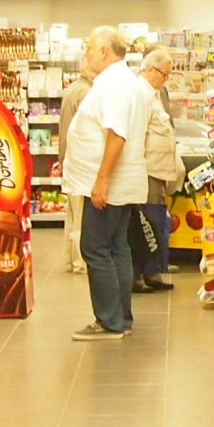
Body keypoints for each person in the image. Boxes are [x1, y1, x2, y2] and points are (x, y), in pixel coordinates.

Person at [62, 26, 147, 340]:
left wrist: (101, 181)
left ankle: (110, 321)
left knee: (95, 248)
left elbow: (117, 134)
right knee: (117, 247)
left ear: (102, 51)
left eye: (89, 48)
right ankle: (121, 318)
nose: (85, 54)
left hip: (109, 185)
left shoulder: (113, 84)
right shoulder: (125, 81)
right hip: (120, 183)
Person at [134, 47, 177, 293]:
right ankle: (142, 273)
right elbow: (138, 135)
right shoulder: (141, 95)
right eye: (164, 74)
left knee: (155, 220)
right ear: (150, 69)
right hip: (147, 172)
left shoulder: (154, 94)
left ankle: (152, 272)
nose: (166, 79)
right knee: (147, 223)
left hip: (157, 172)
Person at [58, 58, 95, 274]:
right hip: (80, 162)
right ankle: (81, 261)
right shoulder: (86, 93)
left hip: (69, 159)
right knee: (82, 215)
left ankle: (70, 258)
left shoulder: (73, 89)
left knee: (72, 214)